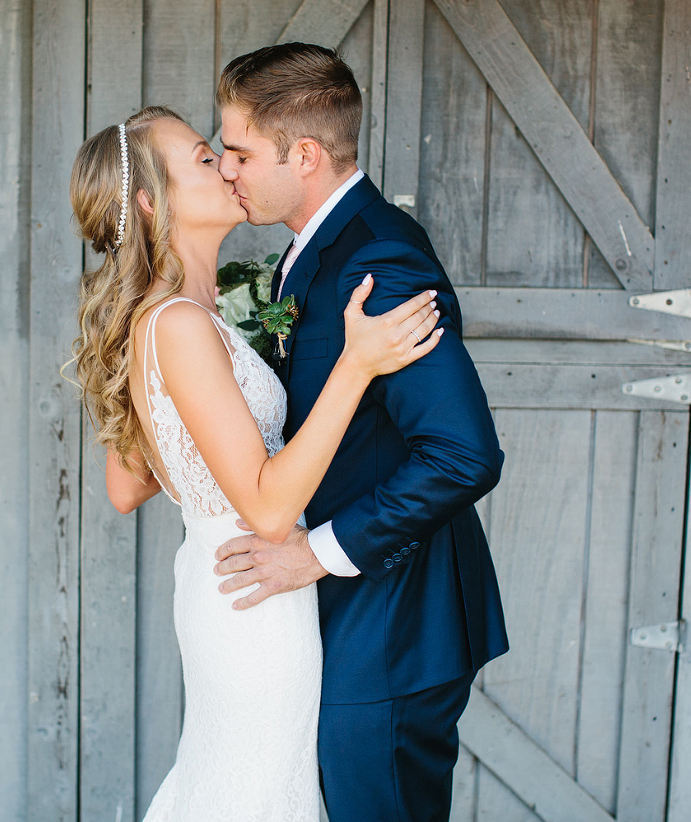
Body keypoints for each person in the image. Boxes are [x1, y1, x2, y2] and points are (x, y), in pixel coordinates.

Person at [69, 105, 443, 821]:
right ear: (151, 202)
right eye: (204, 159)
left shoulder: (179, 314)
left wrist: (200, 436)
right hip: (253, 595)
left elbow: (127, 485)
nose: (227, 167)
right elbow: (269, 507)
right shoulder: (177, 323)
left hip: (224, 583)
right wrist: (356, 364)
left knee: (235, 782)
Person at [211, 43, 509, 822]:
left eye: (239, 151)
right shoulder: (312, 253)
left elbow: (463, 454)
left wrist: (312, 553)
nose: (225, 169)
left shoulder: (378, 259)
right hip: (356, 617)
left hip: (394, 623)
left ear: (302, 153)